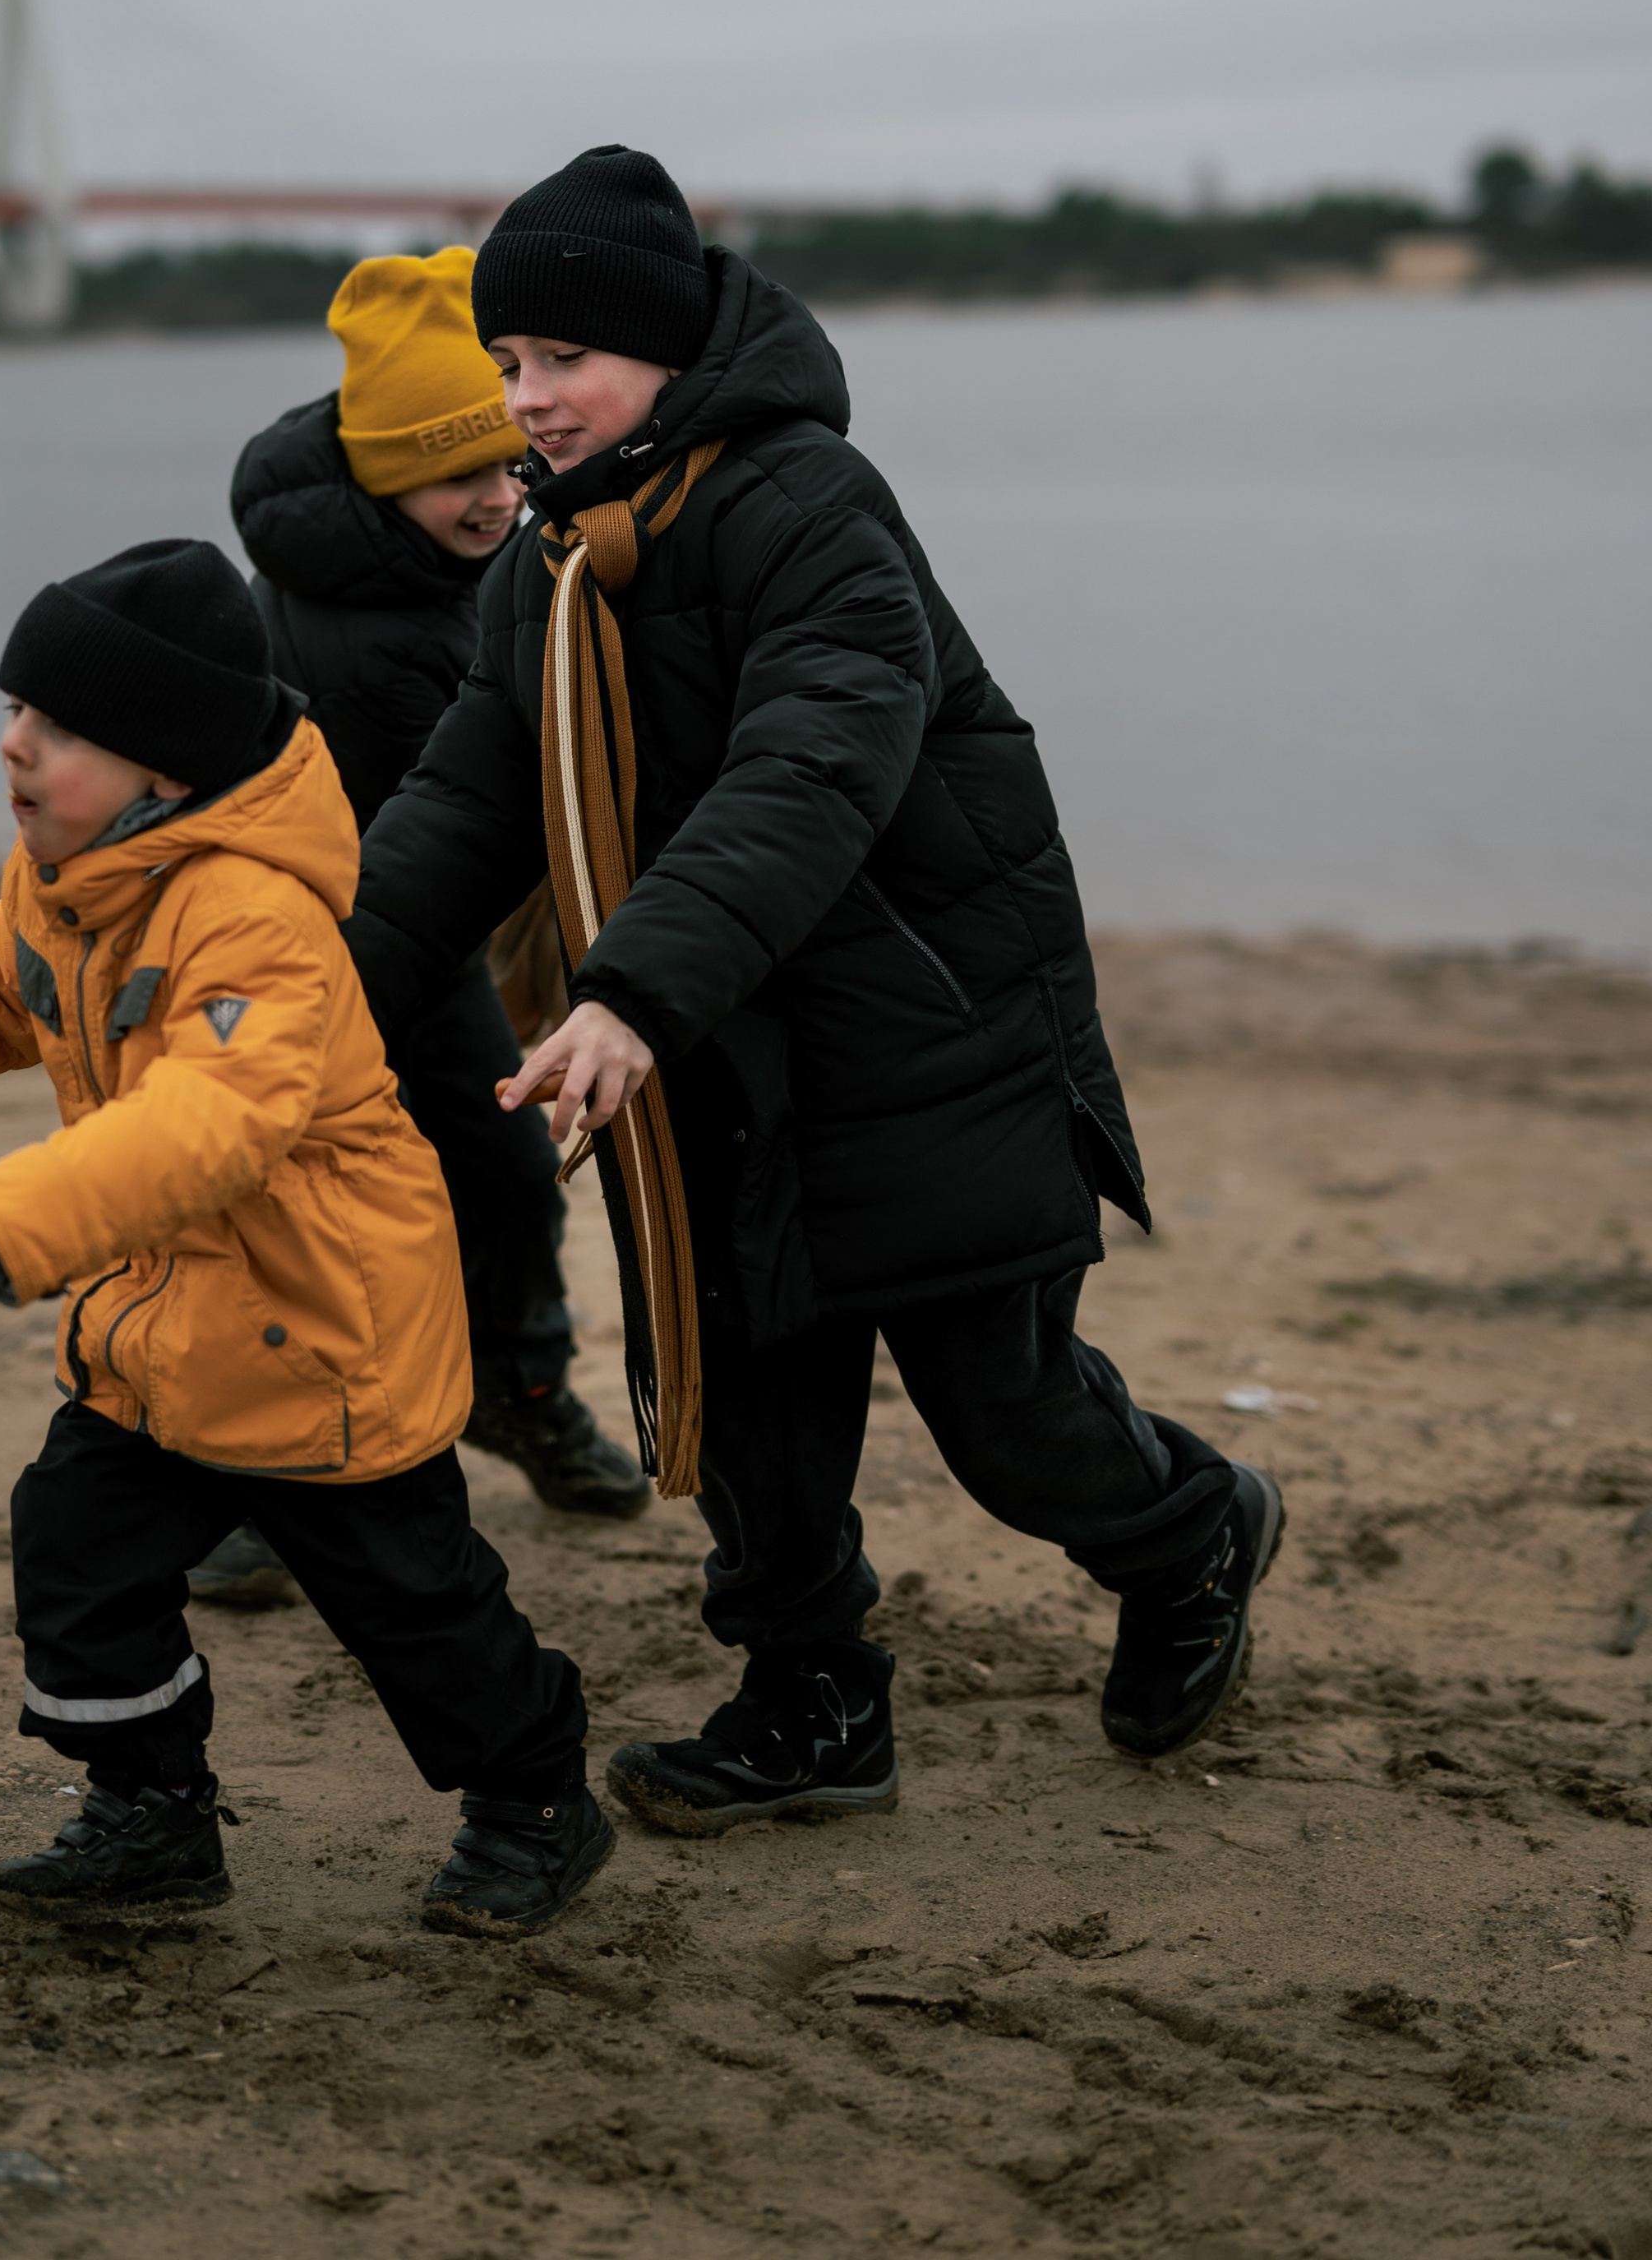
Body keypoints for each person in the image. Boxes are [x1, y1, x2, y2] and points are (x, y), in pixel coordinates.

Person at [345, 146, 1282, 1838]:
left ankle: (1188, 1529)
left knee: (1006, 1419)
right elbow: (465, 801)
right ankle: (813, 1701)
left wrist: (624, 990)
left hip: (917, 1034)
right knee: (757, 1404)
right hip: (721, 1052)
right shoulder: (549, 562)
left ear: (665, 348)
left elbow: (807, 771)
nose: (526, 400)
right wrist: (311, 992)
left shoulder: (805, 506)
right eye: (506, 365)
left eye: (560, 360)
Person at [0, 536, 612, 1935]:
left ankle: (536, 1798)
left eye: (61, 733)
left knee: (416, 1610)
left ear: (166, 772)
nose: (15, 751)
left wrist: (27, 1209)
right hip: (163, 1336)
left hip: (321, 1336)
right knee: (75, 1547)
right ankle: (151, 1811)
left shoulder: (256, 919)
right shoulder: (71, 876)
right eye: (16, 714)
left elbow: (217, 1117)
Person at [192, 246, 644, 1628]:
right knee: (299, 1218)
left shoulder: (464, 559)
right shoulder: (343, 627)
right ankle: (252, 1492)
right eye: (467, 476)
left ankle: (520, 1394)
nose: (502, 496)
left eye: (511, 463)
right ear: (385, 473)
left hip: (418, 947)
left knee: (504, 1179)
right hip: (299, 951)